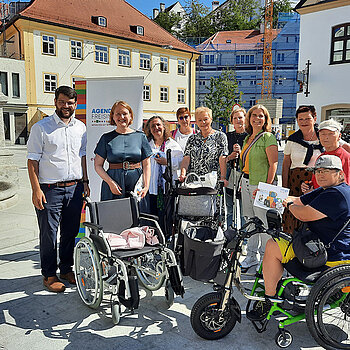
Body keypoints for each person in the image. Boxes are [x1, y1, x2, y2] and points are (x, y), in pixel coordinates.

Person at [247, 155, 350, 321]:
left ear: (340, 174)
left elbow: (302, 214)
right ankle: (272, 292)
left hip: (329, 255)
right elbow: (298, 200)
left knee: (273, 246)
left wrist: (288, 205)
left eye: (326, 171)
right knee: (274, 243)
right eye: (318, 171)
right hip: (315, 246)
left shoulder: (337, 195)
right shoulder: (327, 190)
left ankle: (270, 299)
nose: (320, 174)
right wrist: (265, 194)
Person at [27, 86, 89, 293]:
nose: (66, 106)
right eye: (62, 102)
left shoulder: (80, 128)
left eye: (70, 103)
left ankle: (65, 269)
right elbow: (32, 161)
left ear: (75, 105)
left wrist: (86, 182)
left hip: (75, 188)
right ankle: (49, 274)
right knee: (49, 234)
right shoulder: (41, 128)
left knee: (70, 232)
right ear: (55, 102)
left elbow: (82, 157)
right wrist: (36, 190)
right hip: (50, 189)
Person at [239, 104, 278, 270]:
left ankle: (265, 259)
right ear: (249, 118)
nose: (257, 118)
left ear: (266, 119)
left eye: (261, 115)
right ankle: (251, 256)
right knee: (251, 221)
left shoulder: (268, 137)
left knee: (264, 223)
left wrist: (266, 187)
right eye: (254, 115)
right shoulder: (247, 139)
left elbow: (274, 163)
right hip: (247, 182)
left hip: (262, 185)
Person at [94, 101, 152, 201]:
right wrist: (110, 183)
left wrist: (146, 186)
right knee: (114, 214)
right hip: (113, 183)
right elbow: (98, 165)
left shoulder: (140, 136)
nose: (121, 117)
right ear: (113, 117)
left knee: (137, 214)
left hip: (136, 183)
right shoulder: (106, 138)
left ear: (130, 116)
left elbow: (146, 164)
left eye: (124, 113)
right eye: (117, 114)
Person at [282, 105, 323, 234]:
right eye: (300, 119)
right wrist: (284, 187)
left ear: (314, 118)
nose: (304, 122)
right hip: (295, 182)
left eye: (307, 118)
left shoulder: (323, 137)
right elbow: (286, 164)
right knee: (293, 213)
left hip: (318, 182)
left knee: (315, 212)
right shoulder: (293, 140)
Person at [142, 116, 183, 233]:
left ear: (164, 127)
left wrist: (168, 162)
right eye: (153, 126)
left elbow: (181, 162)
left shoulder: (172, 144)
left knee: (167, 217)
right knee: (151, 217)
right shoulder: (146, 145)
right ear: (149, 129)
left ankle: (166, 239)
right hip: (151, 189)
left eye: (158, 125)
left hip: (167, 188)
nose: (156, 128)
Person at [179, 106, 228, 187]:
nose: (203, 122)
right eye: (200, 120)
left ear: (211, 119)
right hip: (194, 183)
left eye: (205, 119)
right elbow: (186, 158)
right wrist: (182, 174)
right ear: (196, 122)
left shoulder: (220, 136)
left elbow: (222, 158)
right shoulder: (192, 138)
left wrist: (223, 177)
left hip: (212, 182)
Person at [302, 119, 350, 192]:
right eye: (323, 134)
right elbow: (316, 181)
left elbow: (345, 187)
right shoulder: (321, 157)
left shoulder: (345, 157)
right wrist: (308, 186)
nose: (326, 137)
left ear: (339, 136)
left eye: (331, 133)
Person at [226, 107, 248, 228]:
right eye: (235, 118)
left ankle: (244, 237)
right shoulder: (227, 136)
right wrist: (230, 156)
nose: (238, 120)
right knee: (230, 207)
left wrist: (241, 153)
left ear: (245, 119)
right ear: (232, 121)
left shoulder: (250, 136)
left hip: (244, 174)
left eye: (240, 117)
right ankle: (231, 234)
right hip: (231, 173)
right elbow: (222, 157)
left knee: (244, 210)